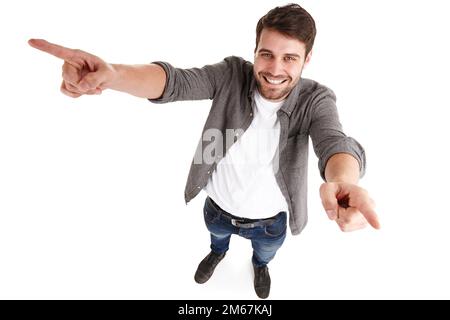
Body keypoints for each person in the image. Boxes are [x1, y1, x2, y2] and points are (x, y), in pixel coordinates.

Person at [28, 3, 380, 299]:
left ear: (307, 59)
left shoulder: (316, 99)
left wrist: (344, 180)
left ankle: (260, 267)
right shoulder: (230, 75)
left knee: (265, 254)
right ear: (254, 50)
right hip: (218, 208)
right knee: (217, 239)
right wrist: (113, 75)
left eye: (290, 58)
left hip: (271, 222)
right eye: (266, 54)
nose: (275, 69)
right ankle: (217, 252)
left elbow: (334, 142)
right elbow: (174, 82)